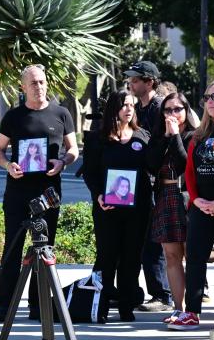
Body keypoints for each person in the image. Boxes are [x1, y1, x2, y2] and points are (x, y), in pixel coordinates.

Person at [0, 64, 78, 322]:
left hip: (49, 193)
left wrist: (63, 162)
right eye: (33, 83)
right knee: (12, 247)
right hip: (17, 191)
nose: (39, 86)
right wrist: (8, 165)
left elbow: (73, 149)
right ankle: (5, 305)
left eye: (42, 81)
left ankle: (38, 306)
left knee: (44, 249)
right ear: (23, 87)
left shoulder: (61, 113)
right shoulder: (14, 117)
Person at [169, 81, 214, 330]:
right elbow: (189, 171)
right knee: (196, 257)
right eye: (206, 97)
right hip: (200, 206)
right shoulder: (199, 135)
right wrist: (196, 197)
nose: (210, 101)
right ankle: (191, 311)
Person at [83, 91, 153, 321]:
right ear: (114, 108)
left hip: (138, 209)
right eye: (124, 105)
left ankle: (126, 306)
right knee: (106, 257)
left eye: (132, 105)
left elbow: (152, 169)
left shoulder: (143, 136)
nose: (129, 109)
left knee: (132, 257)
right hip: (107, 209)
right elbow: (90, 173)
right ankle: (100, 306)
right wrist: (99, 195)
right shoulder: (97, 138)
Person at [123, 60, 173, 312]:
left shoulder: (159, 108)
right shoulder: (137, 107)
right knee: (137, 239)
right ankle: (134, 292)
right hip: (137, 180)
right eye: (131, 79)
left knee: (154, 241)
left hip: (156, 182)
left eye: (135, 79)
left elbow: (162, 146)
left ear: (149, 82)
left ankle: (162, 295)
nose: (131, 83)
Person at [146, 92, 194, 324]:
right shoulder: (159, 136)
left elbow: (186, 164)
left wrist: (175, 136)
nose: (172, 114)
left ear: (186, 111)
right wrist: (165, 137)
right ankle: (178, 307)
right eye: (167, 110)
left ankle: (192, 310)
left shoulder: (194, 135)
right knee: (171, 256)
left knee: (192, 255)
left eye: (177, 109)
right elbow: (152, 165)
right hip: (166, 197)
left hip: (186, 198)